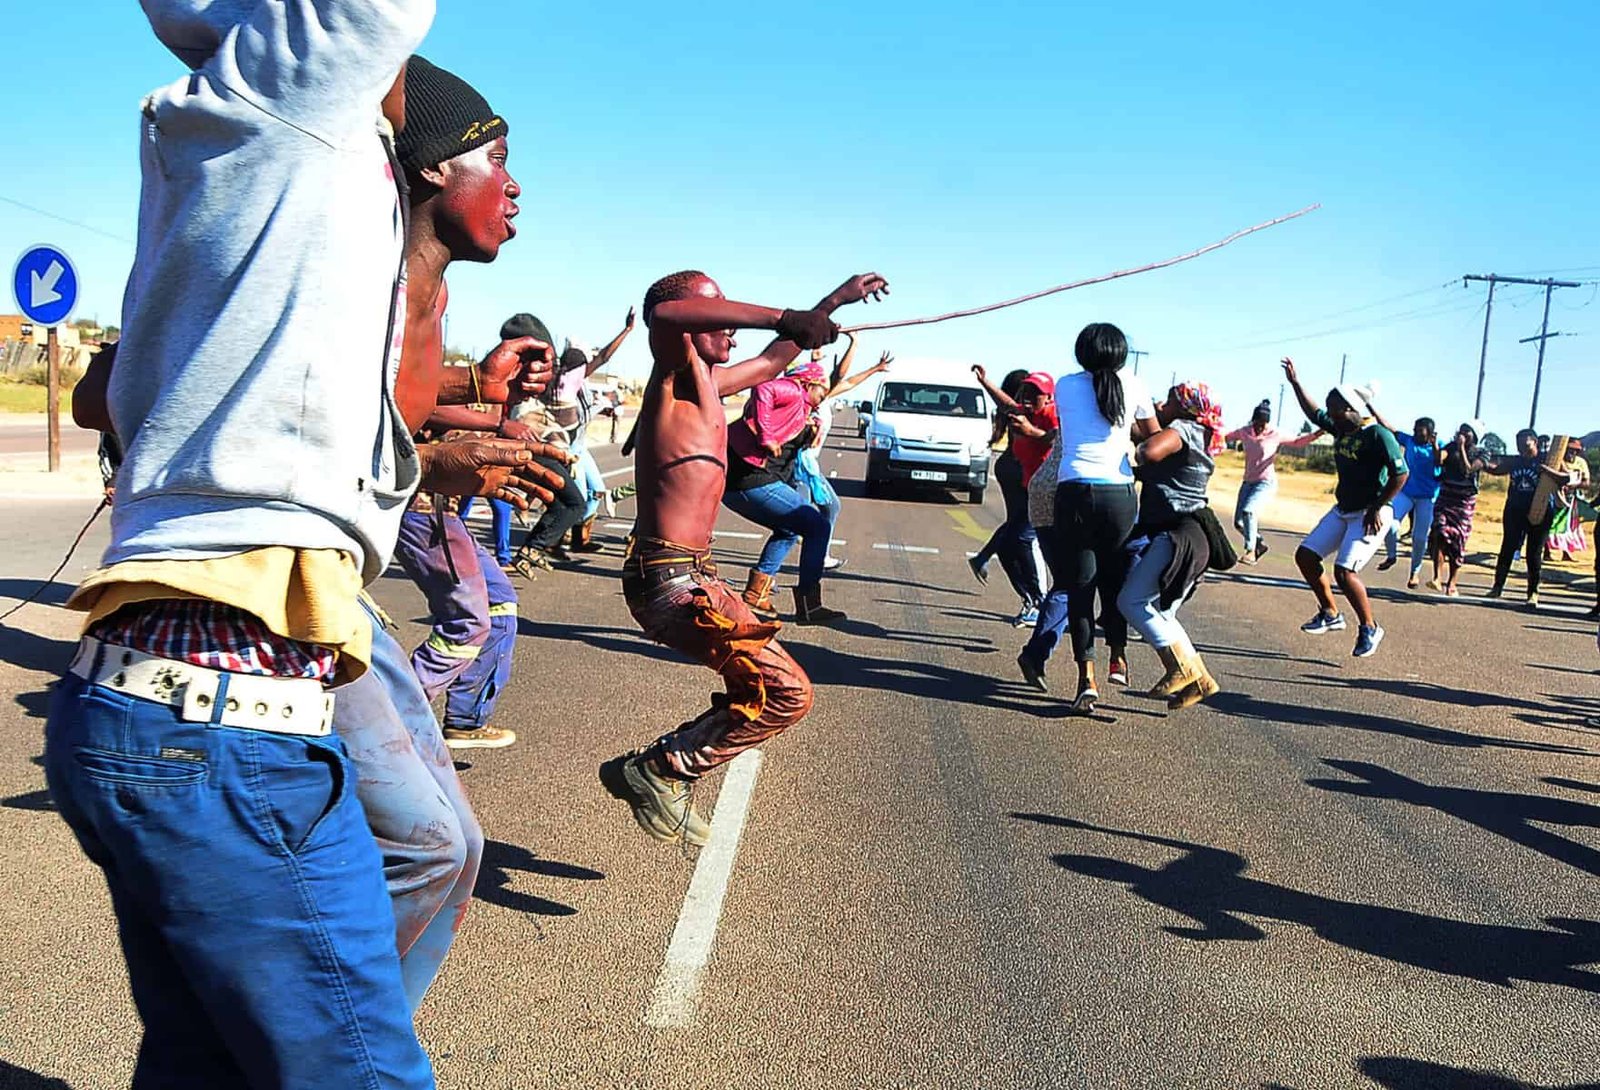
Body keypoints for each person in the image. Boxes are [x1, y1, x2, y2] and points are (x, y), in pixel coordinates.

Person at [44, 10, 507, 1083]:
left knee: (209, 1063)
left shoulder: (308, 216)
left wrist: (421, 463)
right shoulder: (303, 128)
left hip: (181, 712)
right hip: (216, 724)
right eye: (497, 152)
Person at [599, 269, 888, 845]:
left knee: (770, 692)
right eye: (719, 313)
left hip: (689, 574)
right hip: (672, 580)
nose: (731, 326)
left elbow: (777, 357)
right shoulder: (673, 373)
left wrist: (830, 303)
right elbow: (667, 315)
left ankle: (661, 769)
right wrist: (782, 316)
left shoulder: (708, 382)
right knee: (788, 694)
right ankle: (661, 769)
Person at [1052, 323, 1159, 711]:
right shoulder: (1135, 384)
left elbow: (1073, 426)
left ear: (1081, 351)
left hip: (1073, 490)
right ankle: (1118, 655)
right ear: (1121, 353)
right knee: (1115, 579)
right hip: (1118, 494)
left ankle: (1087, 679)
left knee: (1080, 588)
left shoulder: (1064, 385)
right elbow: (1152, 435)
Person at [1280, 358, 1408, 658]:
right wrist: (1296, 383)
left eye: (1334, 409)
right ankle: (1330, 613)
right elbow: (1313, 412)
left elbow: (1401, 474)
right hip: (1344, 508)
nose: (1330, 415)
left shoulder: (1377, 435)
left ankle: (1370, 627)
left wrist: (1377, 507)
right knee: (1306, 556)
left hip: (1372, 513)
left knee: (1345, 572)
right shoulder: (1341, 429)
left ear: (1351, 409)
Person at [1117, 382, 1226, 710]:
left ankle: (1179, 667)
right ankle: (1201, 680)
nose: (1161, 406)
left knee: (1131, 601)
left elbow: (1149, 452)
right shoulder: (1200, 434)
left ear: (1185, 408)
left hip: (1179, 535)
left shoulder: (1183, 429)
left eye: (1169, 401)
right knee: (1162, 612)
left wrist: (1144, 442)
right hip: (1196, 536)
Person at [722, 361, 847, 624]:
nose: (823, 397)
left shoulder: (801, 408)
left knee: (789, 529)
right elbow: (764, 389)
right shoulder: (793, 390)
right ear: (808, 384)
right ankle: (809, 605)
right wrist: (767, 436)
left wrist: (807, 433)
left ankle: (756, 594)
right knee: (818, 527)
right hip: (751, 480)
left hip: (745, 481)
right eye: (822, 391)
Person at [971, 367, 1058, 626]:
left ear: (1049, 397)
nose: (1028, 396)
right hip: (1029, 487)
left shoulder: (1054, 415)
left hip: (1048, 493)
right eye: (1026, 390)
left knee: (1024, 538)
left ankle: (1041, 602)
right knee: (1008, 546)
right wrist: (985, 381)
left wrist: (1032, 432)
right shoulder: (1021, 412)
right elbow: (1005, 403)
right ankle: (1031, 598)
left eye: (1036, 392)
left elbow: (1057, 439)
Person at [1224, 400, 1323, 564]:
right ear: (1253, 421)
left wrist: (1317, 433)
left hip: (1265, 482)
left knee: (1249, 511)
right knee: (1239, 523)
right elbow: (1225, 437)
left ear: (1267, 423)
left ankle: (1250, 551)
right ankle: (1259, 544)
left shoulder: (1275, 433)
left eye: (1263, 424)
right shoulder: (1244, 432)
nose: (1259, 428)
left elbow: (1297, 442)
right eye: (1257, 423)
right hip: (1248, 482)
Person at [1484, 428, 1568, 608]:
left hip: (1540, 510)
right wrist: (1482, 463)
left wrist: (1547, 470)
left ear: (1535, 442)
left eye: (1525, 444)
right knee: (1507, 548)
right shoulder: (1516, 461)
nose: (1522, 448)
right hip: (1515, 510)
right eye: (1519, 445)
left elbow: (1566, 478)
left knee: (1534, 553)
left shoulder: (1549, 459)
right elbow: (1497, 470)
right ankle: (1497, 587)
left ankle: (1533, 593)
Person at [1371, 413, 1443, 588]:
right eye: (1415, 430)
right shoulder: (1410, 441)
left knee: (1419, 538)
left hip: (1427, 497)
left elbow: (1439, 460)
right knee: (1390, 524)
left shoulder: (1440, 446)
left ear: (1431, 434)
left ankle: (1414, 573)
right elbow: (1389, 427)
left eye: (1421, 432)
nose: (1416, 434)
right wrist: (1371, 409)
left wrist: (1434, 445)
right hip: (1406, 492)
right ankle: (1391, 556)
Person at [1425, 420, 1489, 598]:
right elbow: (1439, 460)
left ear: (1475, 436)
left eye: (1467, 431)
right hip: (1446, 496)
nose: (1463, 433)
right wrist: (1435, 445)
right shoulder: (1451, 446)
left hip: (1464, 501)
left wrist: (1461, 448)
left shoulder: (1481, 453)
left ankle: (1452, 582)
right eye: (1462, 430)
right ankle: (1437, 577)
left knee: (1457, 541)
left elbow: (1468, 470)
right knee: (1439, 531)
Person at [1545, 439, 1589, 563]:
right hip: (1555, 497)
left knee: (1568, 526)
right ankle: (1546, 552)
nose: (1572, 453)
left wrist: (1573, 485)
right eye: (1570, 450)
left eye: (1575, 451)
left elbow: (1586, 483)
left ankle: (1566, 552)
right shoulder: (1558, 461)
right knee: (1551, 524)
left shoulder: (1581, 463)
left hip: (1571, 500)